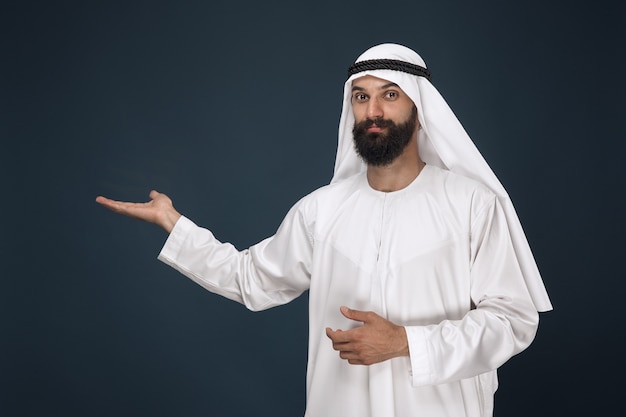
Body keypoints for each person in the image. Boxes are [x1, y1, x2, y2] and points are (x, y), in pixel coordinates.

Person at [96, 43, 552, 417]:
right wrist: (172, 223)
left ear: (419, 105)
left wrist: (406, 342)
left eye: (390, 94)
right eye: (361, 96)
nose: (373, 110)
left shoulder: (472, 205)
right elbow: (250, 278)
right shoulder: (321, 210)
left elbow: (512, 319)